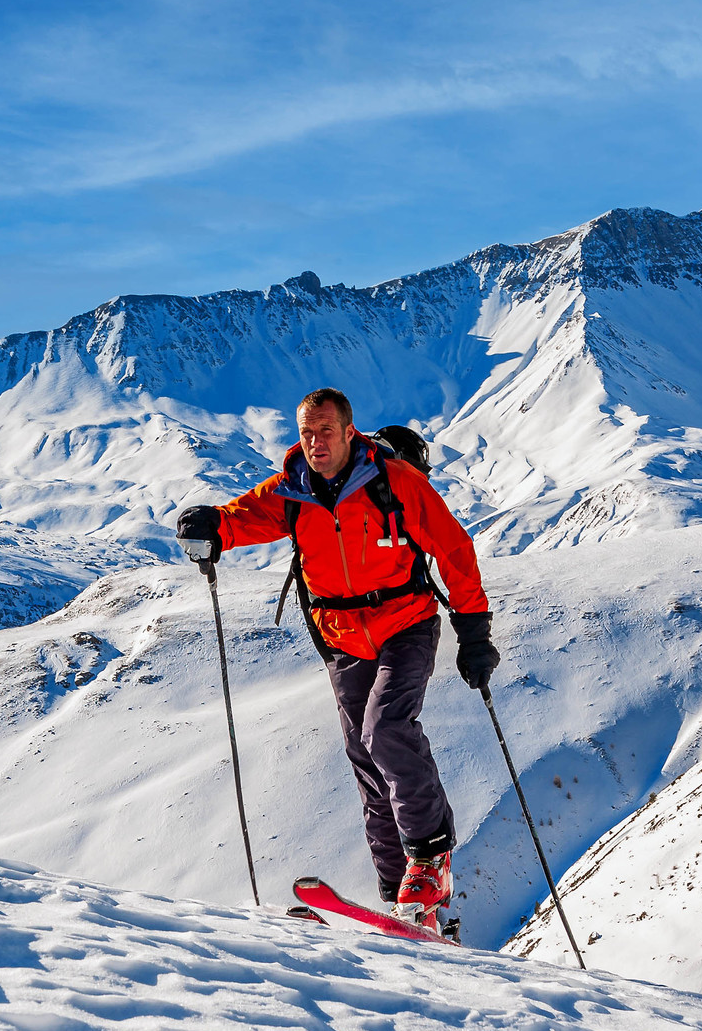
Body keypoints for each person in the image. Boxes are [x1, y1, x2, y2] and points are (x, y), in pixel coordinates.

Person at [176, 387, 499, 926]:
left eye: (326, 431)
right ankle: (404, 896)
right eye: (306, 433)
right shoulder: (293, 489)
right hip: (341, 634)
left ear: (350, 431)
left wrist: (473, 631)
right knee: (365, 755)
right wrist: (212, 525)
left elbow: (453, 549)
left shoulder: (396, 483)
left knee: (386, 728)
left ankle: (431, 855)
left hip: (405, 623)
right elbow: (244, 518)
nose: (315, 442)